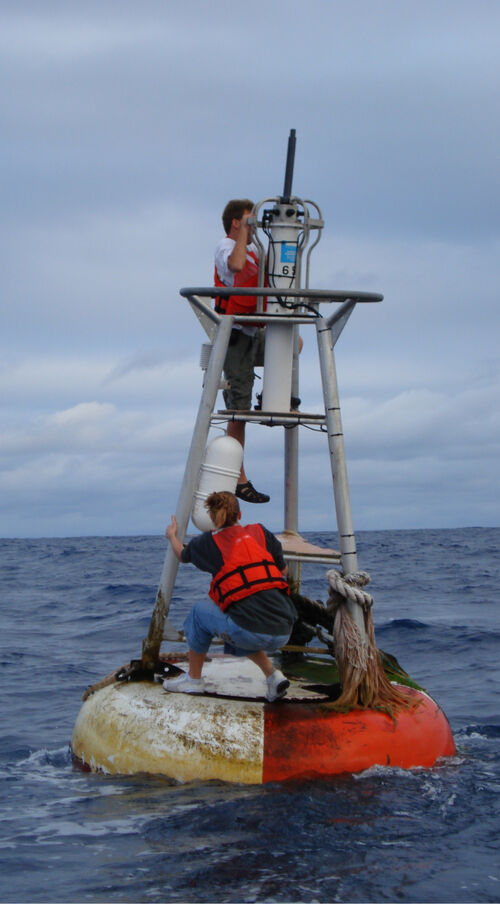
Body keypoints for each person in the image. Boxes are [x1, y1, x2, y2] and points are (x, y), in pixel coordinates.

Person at [163, 491, 297, 701]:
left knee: (199, 614)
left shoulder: (207, 543)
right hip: (284, 630)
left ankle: (193, 680)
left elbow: (182, 555)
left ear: (211, 517)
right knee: (241, 620)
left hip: (250, 631)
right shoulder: (261, 532)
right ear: (240, 515)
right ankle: (273, 677)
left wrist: (172, 536)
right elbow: (284, 571)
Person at [214, 199, 269, 504]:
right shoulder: (226, 247)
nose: (254, 226)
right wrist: (244, 234)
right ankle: (238, 477)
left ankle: (274, 396)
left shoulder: (254, 252)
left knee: (291, 347)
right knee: (238, 410)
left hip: (254, 331)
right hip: (233, 335)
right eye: (249, 220)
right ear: (236, 222)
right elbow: (234, 267)